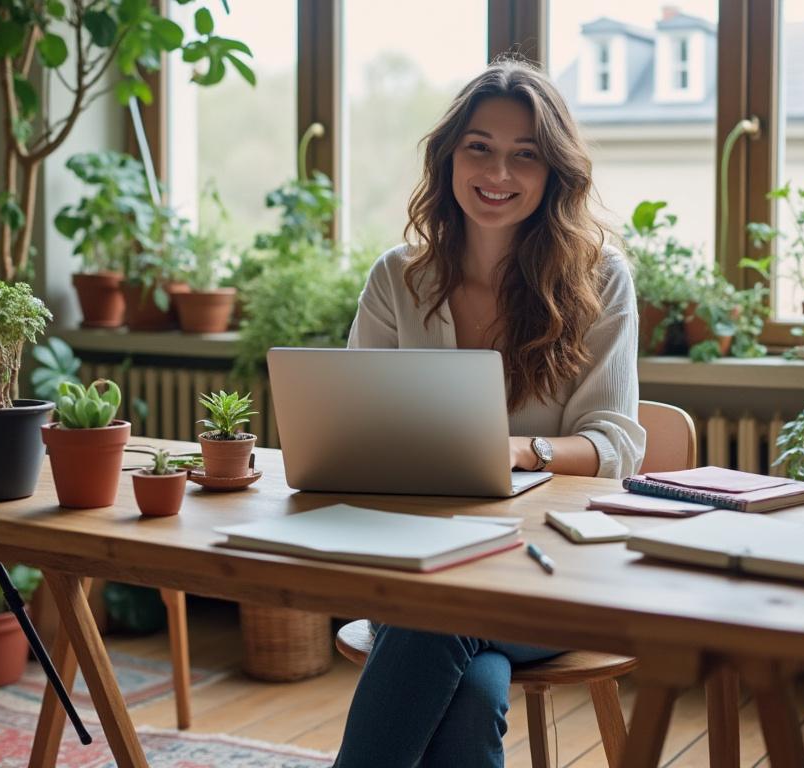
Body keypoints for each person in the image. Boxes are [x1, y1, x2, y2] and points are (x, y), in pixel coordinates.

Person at [334, 57, 646, 768]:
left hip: (552, 569)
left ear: (553, 173)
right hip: (414, 558)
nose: (498, 172)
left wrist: (517, 449)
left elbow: (617, 446)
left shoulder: (602, 281)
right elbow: (353, 421)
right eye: (480, 147)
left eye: (524, 156)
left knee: (435, 618)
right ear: (449, 157)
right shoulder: (396, 278)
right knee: (471, 690)